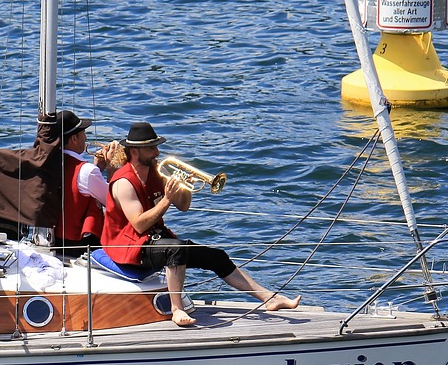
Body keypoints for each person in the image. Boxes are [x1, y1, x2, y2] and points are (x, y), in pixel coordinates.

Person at [102, 121, 300, 327]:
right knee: (175, 250)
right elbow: (139, 225)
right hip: (126, 246)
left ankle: (269, 298)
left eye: (156, 146)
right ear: (135, 151)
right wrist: (166, 199)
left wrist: (183, 185)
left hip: (153, 238)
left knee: (216, 257)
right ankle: (177, 309)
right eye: (151, 148)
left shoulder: (156, 173)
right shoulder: (123, 182)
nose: (157, 152)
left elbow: (184, 206)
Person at [56, 109, 122, 257]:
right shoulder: (87, 171)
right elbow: (114, 203)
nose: (85, 138)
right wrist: (111, 167)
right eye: (83, 134)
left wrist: (97, 168)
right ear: (74, 139)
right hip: (79, 244)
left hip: (54, 240)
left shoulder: (49, 162)